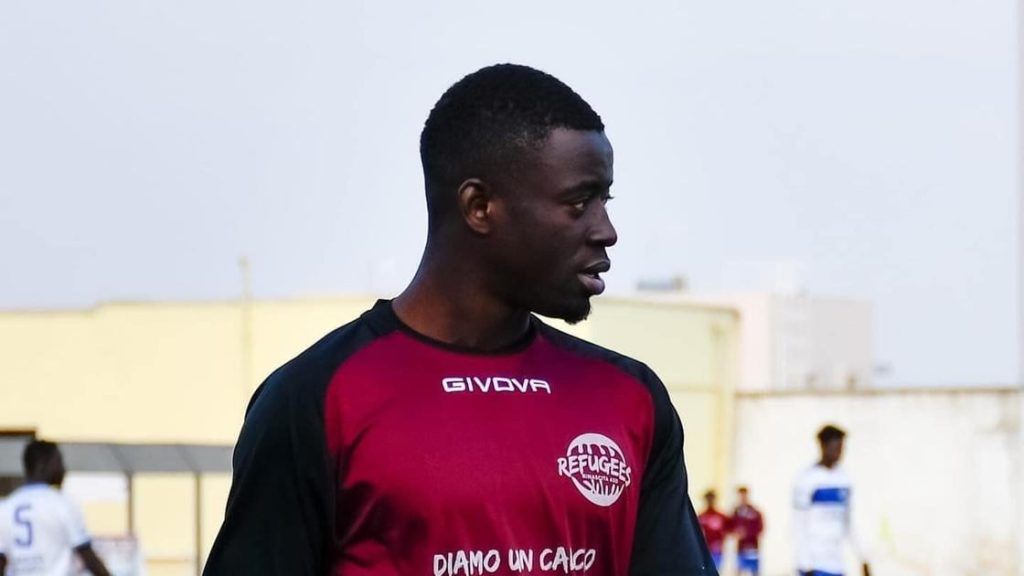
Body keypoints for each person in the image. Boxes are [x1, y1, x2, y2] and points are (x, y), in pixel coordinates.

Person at [204, 63, 717, 575]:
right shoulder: (316, 398)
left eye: (605, 200)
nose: (606, 230)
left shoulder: (629, 398)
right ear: (479, 206)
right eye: (579, 202)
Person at [0, 440, 111, 576]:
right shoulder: (62, 503)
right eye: (59, 462)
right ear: (42, 465)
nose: (63, 469)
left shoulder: (6, 507)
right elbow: (88, 556)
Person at [792, 425, 870, 576]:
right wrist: (806, 564)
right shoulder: (806, 479)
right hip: (813, 565)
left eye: (842, 448)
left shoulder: (844, 479)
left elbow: (850, 522)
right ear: (823, 446)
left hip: (836, 564)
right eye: (835, 447)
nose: (839, 452)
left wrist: (863, 557)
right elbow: (798, 524)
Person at [731, 486, 764, 576]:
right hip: (741, 547)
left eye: (744, 495)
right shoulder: (736, 512)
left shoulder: (755, 512)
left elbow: (760, 528)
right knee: (739, 569)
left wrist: (747, 533)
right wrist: (736, 533)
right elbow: (731, 527)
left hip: (752, 547)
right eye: (740, 496)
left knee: (754, 570)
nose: (742, 498)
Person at [697, 489, 730, 571]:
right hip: (704, 549)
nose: (710, 501)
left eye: (711, 499)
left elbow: (728, 530)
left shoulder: (721, 516)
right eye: (708, 499)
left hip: (717, 549)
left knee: (716, 569)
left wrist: (721, 542)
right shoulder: (701, 516)